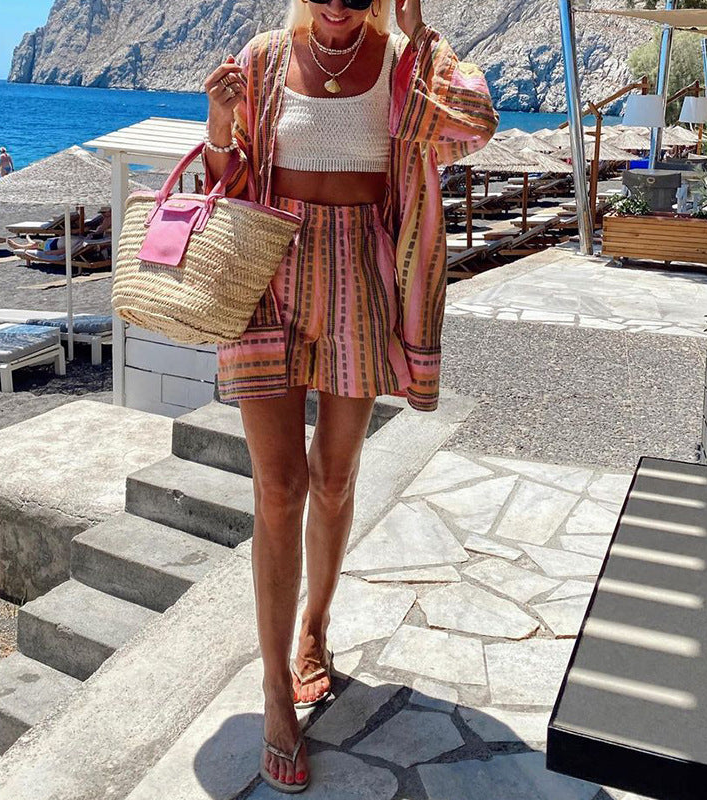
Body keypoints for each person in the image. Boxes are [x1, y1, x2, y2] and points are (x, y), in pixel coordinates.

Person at [202, 0, 498, 792]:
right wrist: (218, 121)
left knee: (333, 480)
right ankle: (274, 694)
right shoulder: (266, 56)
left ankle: (315, 635)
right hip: (269, 268)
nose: (340, 3)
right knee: (279, 486)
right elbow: (225, 181)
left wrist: (420, 29)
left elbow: (476, 122)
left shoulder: (407, 63)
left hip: (360, 275)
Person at [7, 207, 111, 256]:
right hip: (55, 241)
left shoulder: (79, 244)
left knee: (37, 245)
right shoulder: (82, 241)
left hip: (51, 246)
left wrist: (49, 253)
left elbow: (63, 252)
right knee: (37, 244)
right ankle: (26, 243)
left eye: (103, 212)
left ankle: (20, 246)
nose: (102, 214)